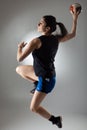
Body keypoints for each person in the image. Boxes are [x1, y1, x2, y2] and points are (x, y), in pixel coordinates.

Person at [16, 8, 80, 128]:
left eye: (41, 23)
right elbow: (73, 34)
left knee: (33, 108)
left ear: (47, 28)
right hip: (43, 74)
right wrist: (75, 19)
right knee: (19, 70)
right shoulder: (56, 39)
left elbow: (19, 58)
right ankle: (36, 84)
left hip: (47, 80)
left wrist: (19, 48)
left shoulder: (36, 41)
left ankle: (55, 119)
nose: (38, 24)